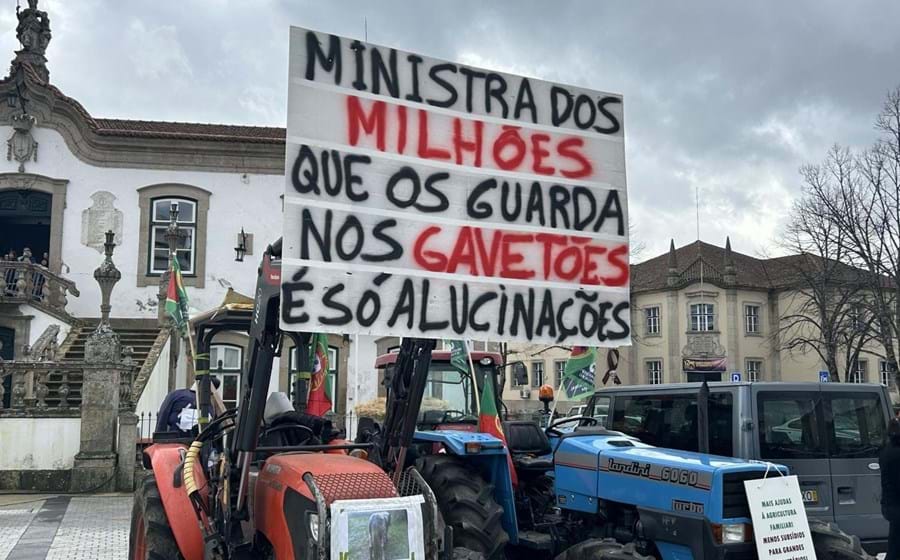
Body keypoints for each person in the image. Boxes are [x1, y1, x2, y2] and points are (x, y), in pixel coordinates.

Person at [880, 417, 900, 559]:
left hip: (890, 504)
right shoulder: (897, 454)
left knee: (895, 541)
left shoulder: (886, 450)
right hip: (897, 505)